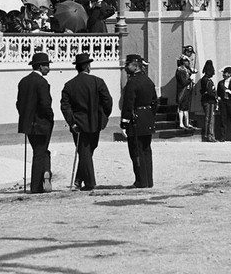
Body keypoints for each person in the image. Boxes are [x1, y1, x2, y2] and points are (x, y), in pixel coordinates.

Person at [60, 52, 112, 192]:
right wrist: (103, 118)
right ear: (87, 67)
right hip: (95, 123)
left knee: (85, 152)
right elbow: (107, 102)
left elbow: (65, 106)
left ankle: (79, 180)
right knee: (87, 152)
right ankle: (90, 183)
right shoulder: (98, 81)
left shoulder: (69, 85)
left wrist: (72, 123)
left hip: (78, 125)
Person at [16, 51, 54, 194]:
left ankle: (46, 172)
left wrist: (25, 117)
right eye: (47, 66)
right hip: (42, 124)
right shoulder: (42, 82)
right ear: (40, 67)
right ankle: (36, 186)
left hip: (28, 124)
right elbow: (45, 104)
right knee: (39, 153)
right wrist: (50, 117)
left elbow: (19, 104)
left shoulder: (23, 81)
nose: (48, 68)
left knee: (40, 152)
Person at [120, 53, 157, 188]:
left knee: (136, 151)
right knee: (147, 150)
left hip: (136, 120)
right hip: (147, 118)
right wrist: (150, 115)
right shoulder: (148, 81)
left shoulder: (132, 83)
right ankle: (148, 181)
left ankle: (141, 181)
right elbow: (155, 102)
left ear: (135, 66)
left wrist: (124, 123)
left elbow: (128, 104)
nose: (125, 68)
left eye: (127, 65)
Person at [216, 67, 231, 142]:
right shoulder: (220, 83)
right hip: (223, 102)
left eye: (225, 73)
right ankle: (222, 137)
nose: (223, 74)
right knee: (223, 120)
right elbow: (218, 93)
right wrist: (219, 99)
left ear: (229, 74)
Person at [198, 60, 217, 142]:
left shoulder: (203, 79)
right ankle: (209, 135)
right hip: (209, 101)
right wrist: (215, 95)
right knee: (210, 119)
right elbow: (210, 92)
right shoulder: (207, 80)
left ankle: (207, 135)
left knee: (207, 118)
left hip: (205, 100)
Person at [175, 55, 195, 131]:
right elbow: (183, 82)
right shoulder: (180, 70)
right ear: (183, 62)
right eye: (187, 61)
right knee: (182, 107)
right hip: (182, 91)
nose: (188, 63)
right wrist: (190, 79)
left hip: (187, 90)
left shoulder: (186, 70)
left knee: (186, 107)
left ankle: (186, 122)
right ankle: (181, 123)